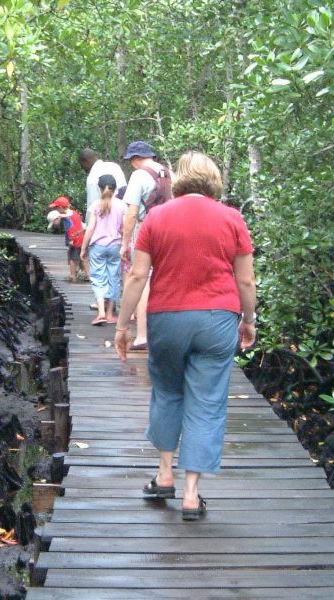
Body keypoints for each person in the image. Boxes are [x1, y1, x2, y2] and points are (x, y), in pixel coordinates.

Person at [114, 151, 257, 521]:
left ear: (179, 179)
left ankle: (164, 475)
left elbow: (136, 276)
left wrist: (122, 325)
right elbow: (245, 279)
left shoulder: (156, 217)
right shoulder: (232, 218)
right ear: (213, 180)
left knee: (167, 392)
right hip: (218, 319)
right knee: (206, 402)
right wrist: (249, 319)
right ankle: (191, 495)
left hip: (167, 317)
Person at [119, 141, 170, 351]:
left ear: (136, 159)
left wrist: (124, 243)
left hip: (146, 229)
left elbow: (131, 213)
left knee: (142, 279)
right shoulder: (168, 172)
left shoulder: (139, 175)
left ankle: (142, 335)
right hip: (170, 230)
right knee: (165, 279)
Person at [80, 175, 125, 325]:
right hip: (115, 246)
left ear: (99, 189)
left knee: (98, 277)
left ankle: (100, 312)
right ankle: (110, 314)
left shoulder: (95, 205)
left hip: (98, 246)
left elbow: (90, 228)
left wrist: (83, 247)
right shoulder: (122, 205)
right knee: (114, 278)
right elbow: (124, 229)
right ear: (115, 188)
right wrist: (125, 246)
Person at [77, 148, 127, 223]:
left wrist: (88, 226)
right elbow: (124, 190)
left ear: (86, 161)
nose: (82, 168)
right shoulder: (114, 166)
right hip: (122, 214)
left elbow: (92, 205)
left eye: (81, 165)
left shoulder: (92, 176)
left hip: (105, 218)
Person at [47, 195, 87, 283]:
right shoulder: (73, 212)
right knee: (83, 256)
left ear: (61, 208)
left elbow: (71, 228)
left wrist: (71, 240)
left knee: (72, 258)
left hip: (75, 239)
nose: (55, 210)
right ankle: (87, 274)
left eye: (56, 208)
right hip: (81, 238)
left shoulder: (67, 217)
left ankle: (73, 276)